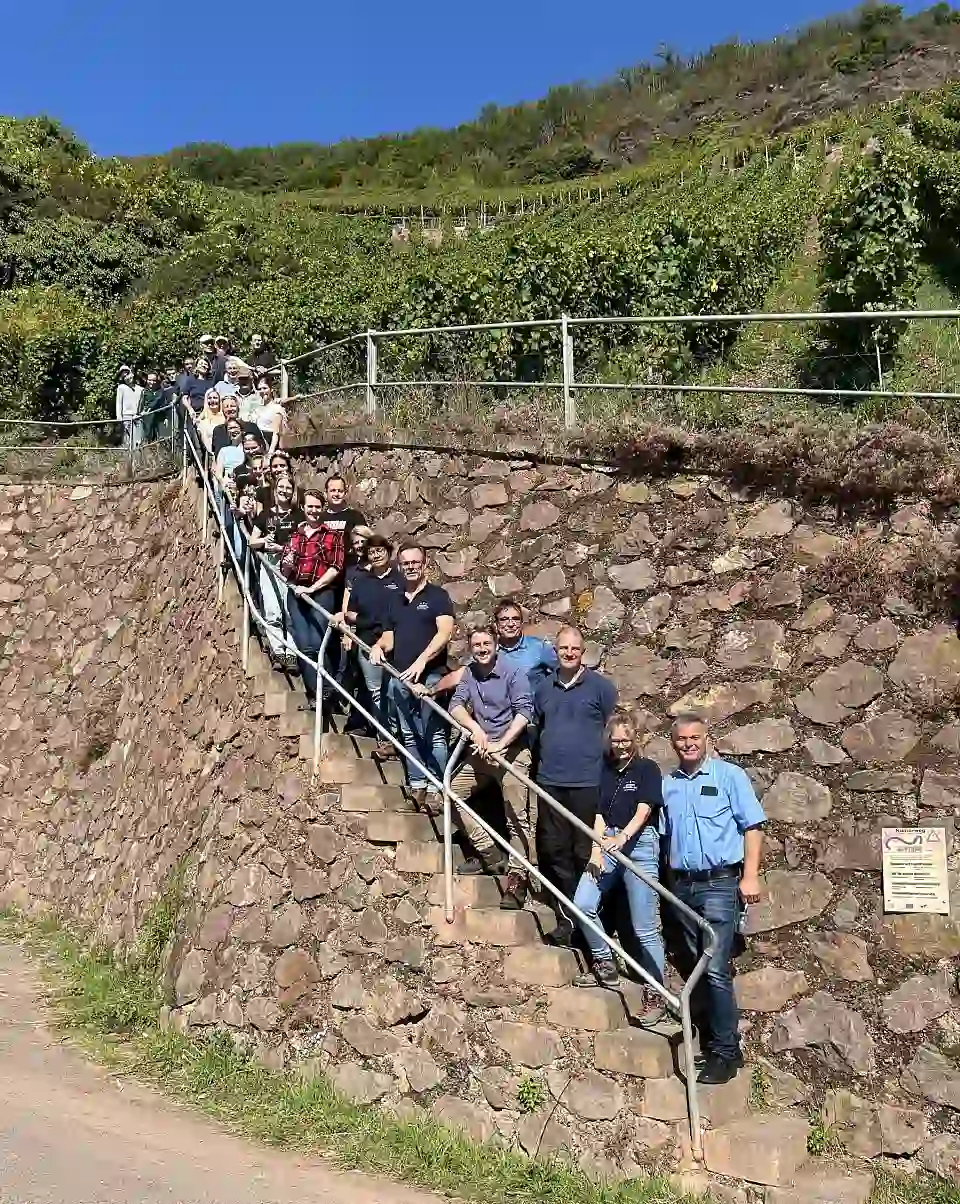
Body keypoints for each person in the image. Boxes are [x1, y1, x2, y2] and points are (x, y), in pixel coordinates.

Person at [662, 713, 765, 1086]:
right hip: (683, 885)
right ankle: (717, 1041)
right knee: (697, 965)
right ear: (673, 744)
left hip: (720, 884)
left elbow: (752, 827)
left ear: (707, 738)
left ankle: (725, 1052)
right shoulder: (668, 785)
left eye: (695, 737)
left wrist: (750, 876)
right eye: (681, 739)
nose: (688, 744)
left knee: (716, 966)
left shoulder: (728, 777)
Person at [572, 709, 666, 1023]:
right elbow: (599, 814)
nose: (621, 746)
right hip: (608, 841)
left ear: (636, 739)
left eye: (626, 740)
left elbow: (644, 809)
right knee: (582, 903)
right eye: (616, 741)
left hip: (638, 845)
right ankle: (604, 960)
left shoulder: (646, 769)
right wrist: (597, 852)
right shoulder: (607, 770)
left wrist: (624, 837)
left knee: (644, 927)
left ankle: (656, 991)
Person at [533, 625, 617, 947]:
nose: (569, 653)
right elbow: (538, 730)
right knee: (554, 851)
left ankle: (593, 920)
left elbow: (612, 732)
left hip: (587, 782)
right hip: (550, 783)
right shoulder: (543, 689)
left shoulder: (601, 688)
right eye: (563, 648)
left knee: (584, 852)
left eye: (575, 649)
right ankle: (568, 920)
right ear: (555, 652)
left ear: (583, 653)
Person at [449, 624, 536, 909]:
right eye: (477, 645)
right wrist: (475, 729)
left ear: (496, 644)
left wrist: (502, 744)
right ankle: (489, 852)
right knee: (450, 792)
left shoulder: (513, 672)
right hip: (484, 750)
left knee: (516, 816)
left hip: (512, 751)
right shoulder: (470, 673)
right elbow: (456, 705)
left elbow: (525, 711)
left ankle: (518, 877)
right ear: (471, 648)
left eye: (487, 643)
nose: (482, 649)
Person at [370, 542, 454, 808]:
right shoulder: (394, 601)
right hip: (400, 676)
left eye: (415, 562)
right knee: (408, 733)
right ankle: (418, 785)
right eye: (405, 563)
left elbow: (445, 632)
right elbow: (389, 638)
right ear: (399, 565)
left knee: (434, 734)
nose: (411, 567)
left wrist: (422, 661)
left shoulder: (438, 596)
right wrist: (377, 646)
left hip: (431, 677)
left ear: (424, 563)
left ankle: (439, 787)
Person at [280, 489, 345, 710]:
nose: (314, 511)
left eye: (318, 507)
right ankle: (316, 694)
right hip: (297, 594)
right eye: (310, 506)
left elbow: (336, 567)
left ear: (322, 509)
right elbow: (285, 568)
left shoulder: (332, 536)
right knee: (304, 646)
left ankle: (327, 692)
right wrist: (288, 565)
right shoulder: (295, 536)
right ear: (304, 508)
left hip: (321, 592)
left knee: (318, 645)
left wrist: (314, 588)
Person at [338, 533, 402, 737]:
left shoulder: (400, 580)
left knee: (395, 690)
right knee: (375, 691)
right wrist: (370, 621)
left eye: (380, 550)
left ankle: (399, 735)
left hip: (397, 642)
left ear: (388, 552)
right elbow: (350, 612)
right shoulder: (361, 582)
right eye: (371, 552)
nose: (376, 555)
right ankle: (386, 736)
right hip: (367, 642)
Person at [249, 473, 304, 670]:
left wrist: (285, 549)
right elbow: (252, 540)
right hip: (270, 563)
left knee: (290, 611)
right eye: (281, 486)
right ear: (275, 489)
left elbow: (304, 541)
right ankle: (278, 650)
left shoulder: (299, 515)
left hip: (292, 565)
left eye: (288, 487)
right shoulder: (266, 515)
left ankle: (291, 653)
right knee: (273, 610)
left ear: (293, 491)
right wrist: (265, 541)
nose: (284, 490)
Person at [317, 475, 366, 553]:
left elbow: (365, 544)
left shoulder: (355, 516)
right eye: (333, 490)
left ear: (345, 494)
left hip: (350, 563)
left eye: (340, 491)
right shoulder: (319, 518)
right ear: (325, 494)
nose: (336, 494)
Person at [254, 378, 287, 455]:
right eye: (260, 389)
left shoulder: (277, 408)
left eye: (265, 388)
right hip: (259, 445)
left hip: (271, 444)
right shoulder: (257, 409)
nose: (262, 391)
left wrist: (271, 451)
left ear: (271, 389)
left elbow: (276, 432)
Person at [115, 365, 143, 451]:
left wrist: (141, 413)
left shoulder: (140, 389)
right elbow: (119, 403)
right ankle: (129, 458)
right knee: (128, 439)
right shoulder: (121, 388)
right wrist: (119, 417)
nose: (126, 376)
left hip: (138, 416)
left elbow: (142, 403)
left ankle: (138, 457)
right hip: (126, 416)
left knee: (138, 439)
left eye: (127, 373)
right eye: (123, 375)